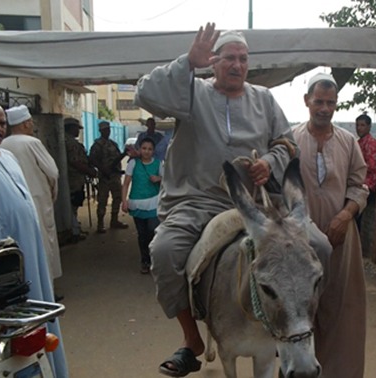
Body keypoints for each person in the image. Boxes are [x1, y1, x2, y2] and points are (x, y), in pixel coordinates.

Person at [134, 23, 331, 377]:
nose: (237, 65)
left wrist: (268, 164)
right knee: (164, 252)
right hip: (198, 200)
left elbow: (286, 144)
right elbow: (145, 95)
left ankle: (301, 332)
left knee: (321, 247)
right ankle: (191, 340)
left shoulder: (264, 99)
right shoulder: (190, 92)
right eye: (229, 59)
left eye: (242, 59)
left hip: (259, 204)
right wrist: (186, 63)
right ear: (214, 62)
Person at [0, 98, 69, 377]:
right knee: (2, 338)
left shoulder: (9, 157)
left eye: (1, 123)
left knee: (37, 323)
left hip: (28, 259)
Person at [292, 73, 369, 378]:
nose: (324, 108)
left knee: (341, 311)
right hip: (300, 240)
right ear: (307, 102)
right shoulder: (290, 139)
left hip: (341, 238)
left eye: (331, 103)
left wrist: (346, 214)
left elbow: (359, 185)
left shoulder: (348, 141)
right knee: (300, 310)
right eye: (319, 101)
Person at [1, 105, 62, 282]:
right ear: (26, 124)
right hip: (37, 199)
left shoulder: (3, 145)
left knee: (20, 242)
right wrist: (51, 192)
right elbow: (52, 172)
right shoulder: (32, 143)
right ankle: (46, 282)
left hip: (13, 201)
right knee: (43, 241)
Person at [121, 137, 162, 274]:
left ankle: (153, 259)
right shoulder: (133, 163)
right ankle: (145, 261)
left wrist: (159, 179)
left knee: (153, 230)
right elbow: (126, 183)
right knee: (142, 234)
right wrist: (124, 201)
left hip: (154, 204)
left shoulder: (159, 164)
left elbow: (168, 181)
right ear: (139, 149)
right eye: (144, 148)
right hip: (137, 204)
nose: (146, 151)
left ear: (154, 151)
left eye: (150, 149)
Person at [89, 120, 129, 233]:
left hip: (115, 176)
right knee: (102, 200)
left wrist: (124, 154)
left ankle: (114, 220)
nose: (108, 131)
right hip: (104, 177)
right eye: (105, 130)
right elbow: (92, 159)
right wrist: (102, 169)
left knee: (117, 197)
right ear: (101, 131)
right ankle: (100, 224)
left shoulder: (113, 144)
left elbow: (117, 158)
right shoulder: (97, 145)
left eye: (108, 129)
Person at [64, 117, 97, 242]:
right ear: (71, 128)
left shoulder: (67, 141)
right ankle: (73, 231)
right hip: (74, 178)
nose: (78, 131)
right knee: (73, 204)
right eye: (76, 129)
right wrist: (89, 171)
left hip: (75, 178)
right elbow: (75, 162)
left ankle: (74, 228)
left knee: (74, 204)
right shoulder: (70, 143)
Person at [355, 113, 376, 230]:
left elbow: (371, 166)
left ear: (369, 127)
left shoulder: (371, 143)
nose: (359, 128)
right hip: (359, 184)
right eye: (358, 125)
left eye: (362, 125)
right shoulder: (359, 142)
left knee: (354, 216)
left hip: (367, 185)